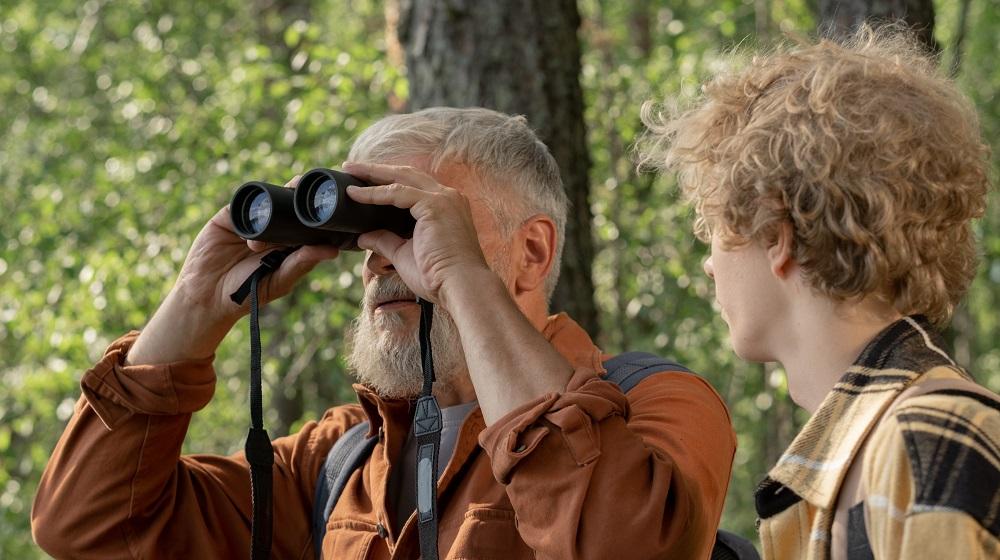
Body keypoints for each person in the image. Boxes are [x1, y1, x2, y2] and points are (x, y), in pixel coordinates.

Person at [32, 107, 736, 559]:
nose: (380, 261)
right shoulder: (337, 459)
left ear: (532, 251)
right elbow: (92, 525)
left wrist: (459, 277)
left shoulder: (654, 405)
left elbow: (626, 547)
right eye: (365, 235)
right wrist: (193, 307)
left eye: (412, 223)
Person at [640, 26, 999, 559]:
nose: (710, 266)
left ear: (775, 234)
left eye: (714, 228)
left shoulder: (932, 440)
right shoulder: (867, 455)